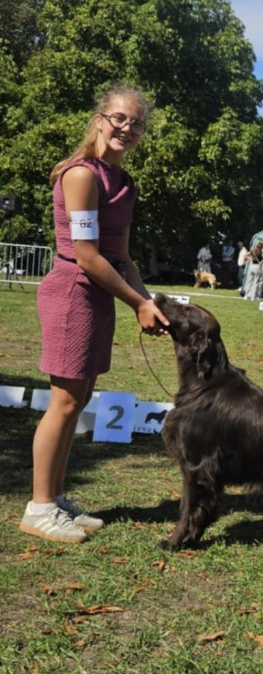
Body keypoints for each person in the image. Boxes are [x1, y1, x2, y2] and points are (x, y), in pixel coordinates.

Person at [19, 83, 169, 544]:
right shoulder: (82, 175)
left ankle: (57, 497)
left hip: (99, 296)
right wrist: (137, 303)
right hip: (71, 292)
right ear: (101, 117)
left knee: (78, 400)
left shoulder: (124, 183)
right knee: (63, 402)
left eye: (137, 123)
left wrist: (150, 301)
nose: (127, 128)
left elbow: (120, 256)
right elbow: (85, 254)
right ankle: (39, 508)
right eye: (119, 118)